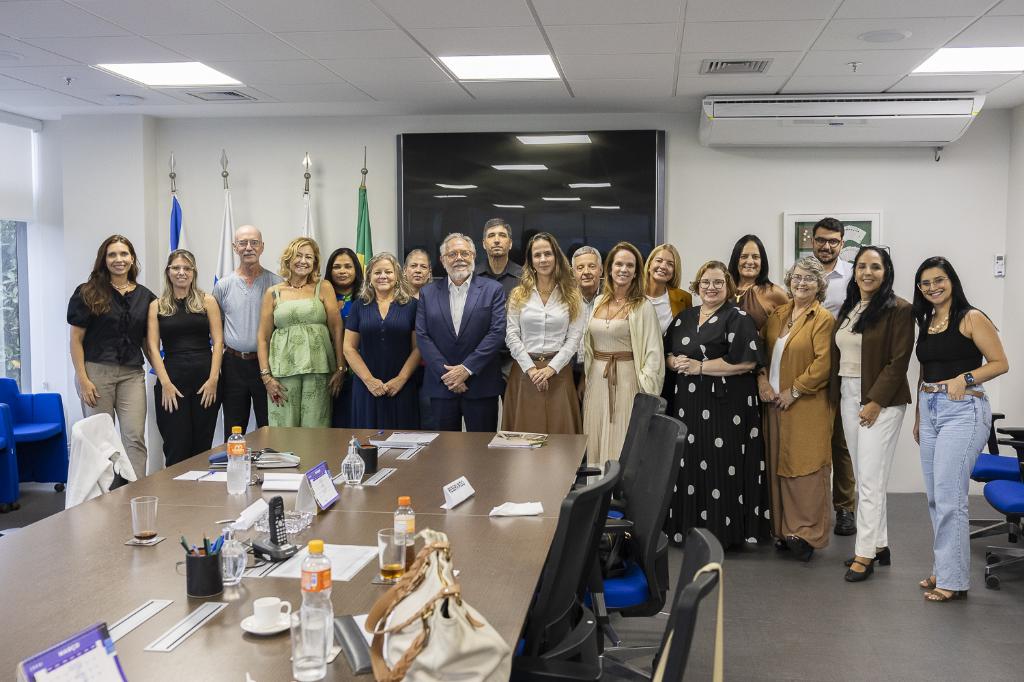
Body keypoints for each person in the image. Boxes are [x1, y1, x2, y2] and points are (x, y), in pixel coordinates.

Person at [913, 257, 1008, 601]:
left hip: (964, 410)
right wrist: (919, 416)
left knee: (950, 497)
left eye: (939, 280)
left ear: (951, 281)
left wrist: (964, 378)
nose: (933, 287)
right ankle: (945, 568)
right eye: (925, 283)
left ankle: (953, 582)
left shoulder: (972, 317)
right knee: (936, 497)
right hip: (930, 409)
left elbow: (1000, 363)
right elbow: (925, 369)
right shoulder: (927, 320)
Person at [663, 260, 767, 547]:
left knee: (722, 466)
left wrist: (699, 367)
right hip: (687, 406)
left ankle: (724, 534)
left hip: (726, 407)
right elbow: (667, 353)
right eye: (705, 282)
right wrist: (674, 362)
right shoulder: (684, 317)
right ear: (697, 286)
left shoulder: (738, 317)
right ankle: (687, 530)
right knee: (689, 466)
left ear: (728, 286)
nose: (711, 287)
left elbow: (747, 362)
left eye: (718, 282)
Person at [829, 246, 913, 582]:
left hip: (881, 400)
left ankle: (864, 555)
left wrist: (875, 401)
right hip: (849, 394)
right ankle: (879, 545)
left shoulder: (899, 309)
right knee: (866, 473)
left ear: (886, 271)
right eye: (862, 266)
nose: (867, 272)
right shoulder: (851, 307)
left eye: (875, 267)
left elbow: (899, 361)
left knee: (869, 480)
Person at [758, 257, 834, 561]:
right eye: (797, 277)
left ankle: (806, 535)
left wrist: (795, 390)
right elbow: (761, 353)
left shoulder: (823, 318)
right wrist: (762, 380)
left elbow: (823, 364)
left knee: (806, 469)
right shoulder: (778, 314)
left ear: (820, 285)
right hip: (773, 403)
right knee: (778, 464)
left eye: (809, 278)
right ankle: (783, 531)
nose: (801, 283)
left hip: (806, 404)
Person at [68, 235, 156, 477]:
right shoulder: (87, 292)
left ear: (132, 259)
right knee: (99, 440)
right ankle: (103, 495)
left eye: (124, 254)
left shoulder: (146, 296)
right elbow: (75, 340)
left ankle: (136, 491)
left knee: (135, 437)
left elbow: (147, 343)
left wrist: (163, 374)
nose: (119, 259)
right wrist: (83, 379)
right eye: (112, 254)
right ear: (104, 260)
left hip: (132, 374)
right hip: (95, 374)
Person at [582, 242, 663, 466]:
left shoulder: (643, 306)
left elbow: (654, 353)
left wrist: (645, 389)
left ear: (636, 272)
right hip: (597, 380)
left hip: (627, 382)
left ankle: (618, 488)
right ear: (609, 268)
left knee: (622, 439)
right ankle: (597, 486)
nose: (623, 269)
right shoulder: (599, 301)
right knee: (596, 437)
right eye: (619, 264)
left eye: (630, 265)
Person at [416, 233, 506, 432]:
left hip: (481, 384)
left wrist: (466, 369)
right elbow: (422, 336)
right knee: (443, 448)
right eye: (452, 254)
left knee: (481, 447)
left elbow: (497, 332)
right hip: (442, 386)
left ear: (473, 256)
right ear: (442, 260)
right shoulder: (427, 293)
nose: (459, 258)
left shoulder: (493, 289)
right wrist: (448, 375)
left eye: (464, 253)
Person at [256, 238, 346, 428]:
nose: (303, 261)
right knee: (282, 431)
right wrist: (266, 377)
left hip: (319, 370)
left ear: (315, 262)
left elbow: (337, 328)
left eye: (309, 257)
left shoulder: (324, 287)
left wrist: (340, 367)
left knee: (316, 430)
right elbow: (263, 338)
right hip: (282, 373)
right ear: (288, 259)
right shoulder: (273, 293)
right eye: (298, 256)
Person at [146, 250, 223, 466]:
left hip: (206, 382)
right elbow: (152, 348)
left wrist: (214, 380)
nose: (182, 272)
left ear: (193, 272)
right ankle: (175, 488)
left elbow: (218, 342)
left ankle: (200, 488)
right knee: (176, 446)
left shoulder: (208, 301)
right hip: (172, 383)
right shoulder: (157, 305)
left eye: (187, 268)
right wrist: (165, 384)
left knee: (202, 446)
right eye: (176, 268)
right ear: (168, 272)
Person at [503, 232, 584, 434]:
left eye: (548, 254)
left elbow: (574, 339)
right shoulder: (518, 295)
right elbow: (511, 335)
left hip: (559, 373)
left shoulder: (572, 295)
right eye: (537, 255)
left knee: (560, 438)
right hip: (525, 373)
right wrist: (531, 370)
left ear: (556, 257)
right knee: (524, 437)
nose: (543, 259)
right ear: (531, 261)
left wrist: (551, 369)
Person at [213, 225, 283, 438]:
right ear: (235, 247)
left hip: (267, 365)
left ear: (262, 247)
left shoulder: (277, 284)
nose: (248, 247)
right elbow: (216, 328)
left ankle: (269, 460)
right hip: (233, 365)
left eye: (254, 242)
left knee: (269, 427)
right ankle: (234, 461)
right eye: (243, 243)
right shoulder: (223, 286)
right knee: (234, 429)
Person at [813, 217, 857, 536]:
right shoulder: (801, 272)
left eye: (833, 241)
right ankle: (812, 507)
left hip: (842, 367)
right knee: (812, 440)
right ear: (812, 241)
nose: (826, 246)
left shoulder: (852, 276)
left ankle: (844, 509)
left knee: (841, 442)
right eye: (821, 240)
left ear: (842, 243)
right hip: (809, 366)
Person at [344, 253, 421, 429]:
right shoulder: (359, 306)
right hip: (366, 387)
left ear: (397, 276)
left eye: (388, 272)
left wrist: (401, 379)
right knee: (367, 439)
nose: (383, 276)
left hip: (402, 386)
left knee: (402, 440)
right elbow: (349, 348)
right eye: (377, 272)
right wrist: (369, 380)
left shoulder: (412, 306)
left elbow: (418, 348)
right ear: (369, 277)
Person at [475, 218, 522, 383]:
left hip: (516, 358)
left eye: (502, 235)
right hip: (481, 358)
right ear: (483, 243)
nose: (496, 240)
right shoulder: (472, 277)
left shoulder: (525, 278)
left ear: (510, 243)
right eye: (491, 236)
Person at [324, 247, 363, 427]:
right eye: (337, 267)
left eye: (348, 266)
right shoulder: (319, 297)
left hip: (359, 371)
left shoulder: (367, 297)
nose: (342, 271)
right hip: (327, 368)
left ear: (356, 270)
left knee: (356, 421)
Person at [728, 234, 788, 332]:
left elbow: (794, 325)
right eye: (744, 256)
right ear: (735, 260)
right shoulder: (725, 290)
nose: (750, 261)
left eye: (755, 257)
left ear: (762, 261)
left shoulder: (774, 292)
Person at [405, 248, 434, 429]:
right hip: (401, 369)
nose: (418, 270)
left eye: (423, 267)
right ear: (404, 270)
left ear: (429, 272)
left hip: (429, 370)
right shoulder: (394, 300)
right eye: (413, 266)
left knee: (429, 421)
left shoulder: (438, 297)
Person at [572, 246, 602, 400]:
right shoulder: (564, 299)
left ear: (601, 270)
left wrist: (586, 376)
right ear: (573, 273)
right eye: (580, 268)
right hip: (569, 371)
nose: (586, 272)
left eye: (592, 266)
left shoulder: (612, 298)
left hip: (602, 372)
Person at [643, 243, 693, 335]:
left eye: (670, 264)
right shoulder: (631, 293)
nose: (663, 266)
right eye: (659, 260)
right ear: (649, 264)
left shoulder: (684, 298)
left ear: (674, 271)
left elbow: (688, 335)